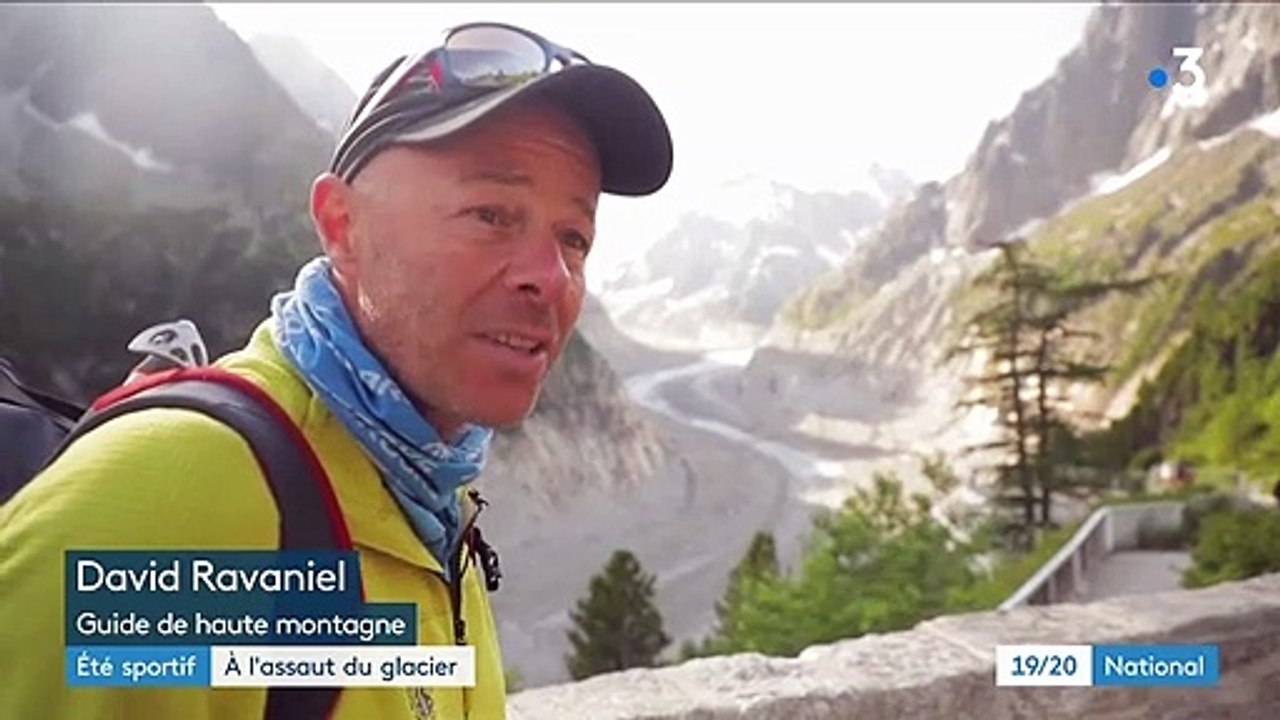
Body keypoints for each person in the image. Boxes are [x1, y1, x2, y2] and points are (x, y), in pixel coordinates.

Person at [0, 20, 672, 720]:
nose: (550, 276)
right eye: (492, 214)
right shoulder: (170, 506)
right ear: (342, 226)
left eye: (574, 237)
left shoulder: (426, 500)